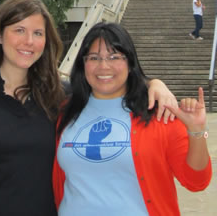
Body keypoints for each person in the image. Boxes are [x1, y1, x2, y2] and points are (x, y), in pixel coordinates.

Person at [0, 0, 177, 216]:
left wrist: (154, 83)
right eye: (19, 30)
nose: (29, 41)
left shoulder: (61, 95)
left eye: (37, 33)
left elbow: (113, 83)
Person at [53, 22, 212, 216]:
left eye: (114, 57)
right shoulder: (64, 112)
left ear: (130, 63)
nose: (103, 66)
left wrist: (196, 131)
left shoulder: (158, 113)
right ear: (83, 64)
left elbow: (197, 181)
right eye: (94, 58)